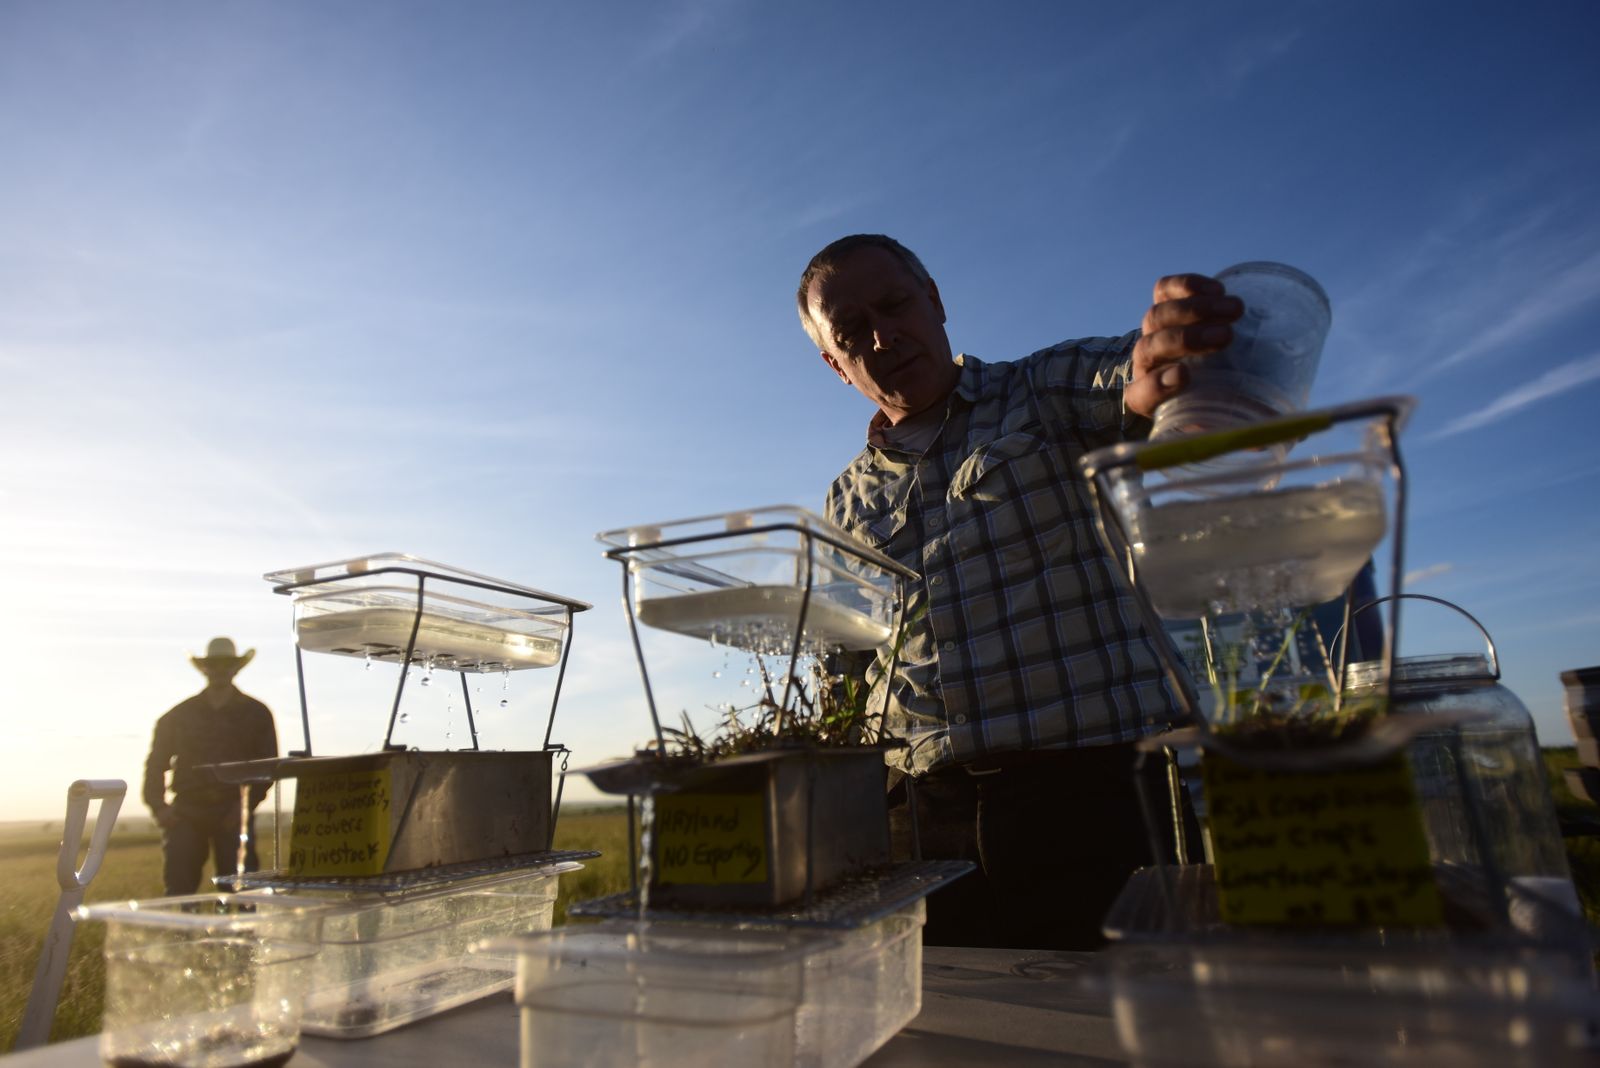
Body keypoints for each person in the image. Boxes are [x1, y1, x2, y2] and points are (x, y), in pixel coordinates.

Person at [798, 234, 1244, 950]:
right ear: (834, 363)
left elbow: (1127, 378)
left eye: (895, 304)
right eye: (852, 334)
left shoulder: (1039, 392)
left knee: (1137, 1024)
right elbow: (842, 665)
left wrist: (1163, 357)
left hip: (1093, 795)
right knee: (961, 1032)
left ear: (934, 300)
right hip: (921, 819)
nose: (883, 336)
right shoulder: (845, 499)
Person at [144, 637, 279, 895]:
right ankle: (182, 935)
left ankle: (242, 935)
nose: (220, 670)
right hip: (186, 812)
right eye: (214, 664)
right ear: (204, 668)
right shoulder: (177, 716)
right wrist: (159, 807)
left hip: (233, 812)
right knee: (179, 890)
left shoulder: (257, 713)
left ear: (236, 668)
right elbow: (156, 763)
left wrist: (244, 807)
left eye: (226, 664)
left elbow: (267, 767)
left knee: (242, 893)